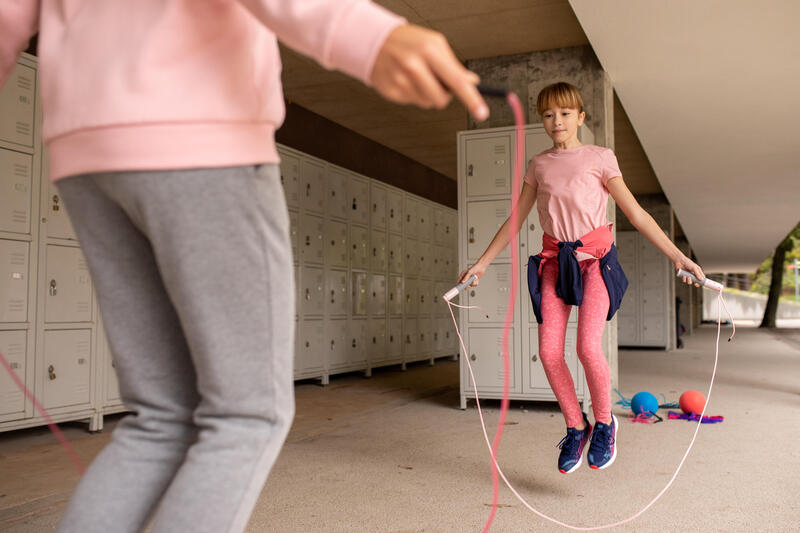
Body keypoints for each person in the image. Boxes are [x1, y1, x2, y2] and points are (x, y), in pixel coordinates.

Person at [0, 2, 489, 532]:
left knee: (159, 419)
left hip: (84, 150)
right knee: (246, 416)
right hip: (197, 126)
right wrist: (372, 35)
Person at [458, 81, 704, 475]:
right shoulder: (538, 165)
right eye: (549, 114)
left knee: (588, 347)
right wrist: (482, 262)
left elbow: (637, 214)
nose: (557, 121)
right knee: (550, 351)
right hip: (555, 263)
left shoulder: (601, 157)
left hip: (596, 262)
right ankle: (577, 425)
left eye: (566, 113)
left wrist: (678, 257)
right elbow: (516, 219)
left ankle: (605, 422)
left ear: (580, 117)